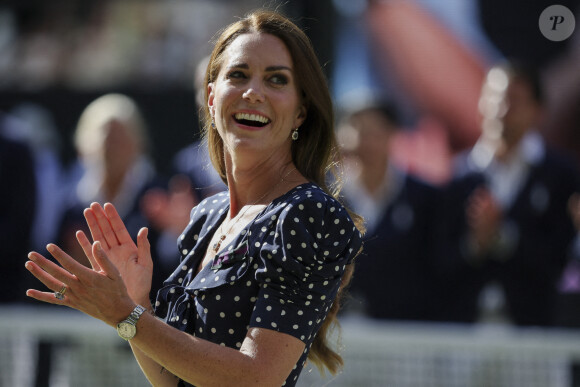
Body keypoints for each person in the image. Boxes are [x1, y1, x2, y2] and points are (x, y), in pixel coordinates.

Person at [24, 9, 364, 387]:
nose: (253, 92)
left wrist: (126, 314)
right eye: (238, 75)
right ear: (211, 97)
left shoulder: (307, 213)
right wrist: (136, 303)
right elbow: (171, 380)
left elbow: (258, 377)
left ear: (301, 110)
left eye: (276, 80)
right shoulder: (208, 215)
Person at [434, 61, 580, 325]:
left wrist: (503, 237)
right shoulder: (458, 177)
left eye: (514, 100)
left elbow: (561, 260)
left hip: (537, 332)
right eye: (494, 98)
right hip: (466, 332)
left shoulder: (562, 176)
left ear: (538, 111)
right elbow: (438, 260)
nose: (501, 109)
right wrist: (474, 245)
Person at [56, 93, 174, 299]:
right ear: (83, 145)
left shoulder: (160, 195)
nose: (111, 147)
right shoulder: (70, 204)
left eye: (120, 138)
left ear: (138, 143)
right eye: (105, 139)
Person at [337, 98, 442, 321]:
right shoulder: (324, 195)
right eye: (357, 129)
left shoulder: (424, 197)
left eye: (375, 131)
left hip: (403, 331)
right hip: (333, 330)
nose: (364, 142)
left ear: (393, 134)